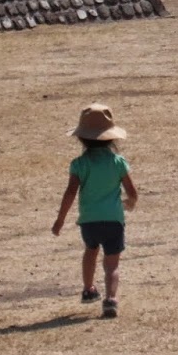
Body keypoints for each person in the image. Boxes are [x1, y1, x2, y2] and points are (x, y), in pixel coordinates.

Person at [51, 103, 138, 319]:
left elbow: (70, 192)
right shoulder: (118, 162)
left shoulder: (79, 164)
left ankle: (89, 289)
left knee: (90, 251)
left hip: (89, 221)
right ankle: (110, 299)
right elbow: (132, 192)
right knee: (112, 263)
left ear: (81, 138)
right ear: (112, 138)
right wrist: (130, 203)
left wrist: (60, 220)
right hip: (114, 220)